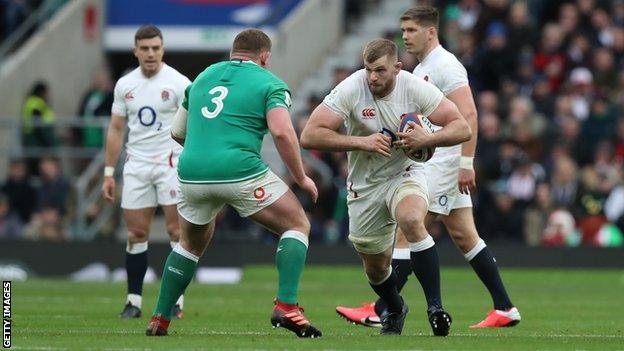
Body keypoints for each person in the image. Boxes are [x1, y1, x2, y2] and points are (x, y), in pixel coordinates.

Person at [335, 5, 521, 329]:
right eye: (403, 30)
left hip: (443, 162)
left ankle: (381, 308)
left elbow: (469, 115)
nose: (405, 36)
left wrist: (465, 163)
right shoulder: (423, 67)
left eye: (411, 30)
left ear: (431, 32)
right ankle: (505, 307)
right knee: (464, 234)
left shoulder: (445, 66)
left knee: (410, 227)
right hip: (437, 159)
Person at [145, 28, 322, 338]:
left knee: (189, 244)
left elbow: (176, 132)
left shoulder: (202, 77)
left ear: (233, 51)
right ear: (265, 56)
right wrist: (300, 177)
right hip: (239, 169)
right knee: (296, 224)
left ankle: (160, 317)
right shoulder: (270, 83)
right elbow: (281, 131)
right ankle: (287, 305)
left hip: (191, 172)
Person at [301, 38, 471, 336]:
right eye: (368, 70)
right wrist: (361, 142)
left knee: (410, 220)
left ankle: (436, 308)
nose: (373, 77)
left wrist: (427, 139)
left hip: (406, 173)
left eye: (380, 70)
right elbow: (310, 135)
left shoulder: (414, 87)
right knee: (376, 267)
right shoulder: (353, 87)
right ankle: (394, 306)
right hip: (365, 185)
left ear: (398, 67)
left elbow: (462, 127)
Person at [102, 25, 191, 319]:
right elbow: (116, 129)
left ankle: (176, 302)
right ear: (135, 51)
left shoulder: (179, 83)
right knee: (136, 232)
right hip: (137, 165)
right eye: (145, 48)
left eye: (156, 48)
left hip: (171, 163)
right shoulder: (125, 85)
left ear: (163, 49)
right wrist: (108, 172)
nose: (151, 53)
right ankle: (133, 301)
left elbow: (192, 127)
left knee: (176, 231)